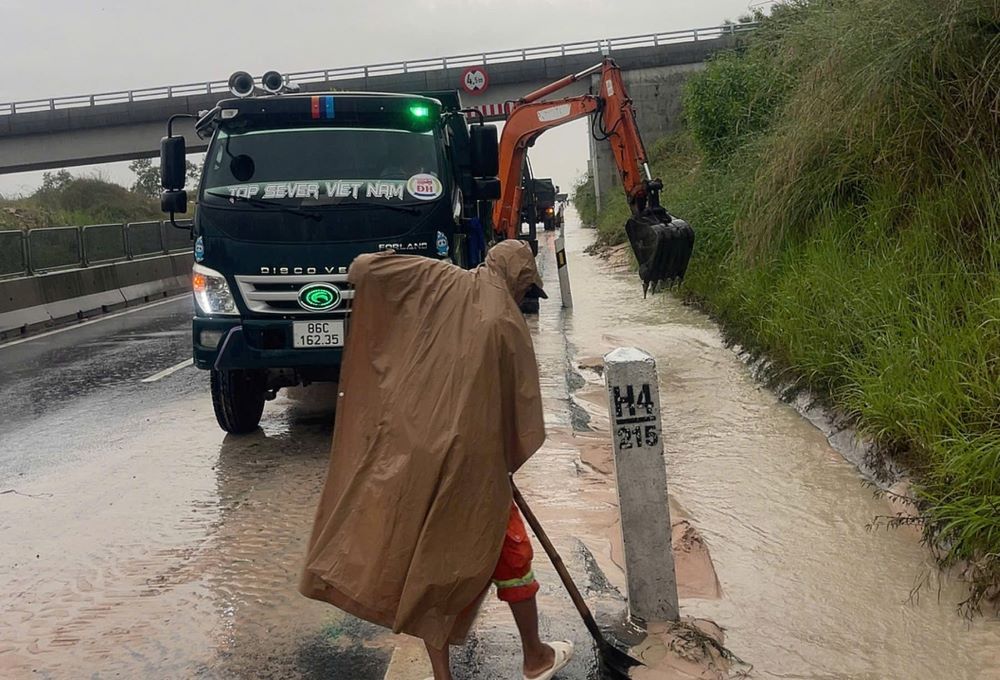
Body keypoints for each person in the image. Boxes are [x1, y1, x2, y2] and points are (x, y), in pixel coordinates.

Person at [299, 241, 574, 680]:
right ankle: (535, 656)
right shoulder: (506, 321)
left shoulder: (443, 281)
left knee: (434, 561)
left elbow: (366, 267)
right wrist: (500, 460)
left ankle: (447, 675)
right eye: (526, 288)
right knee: (511, 554)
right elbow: (521, 415)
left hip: (419, 451)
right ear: (517, 276)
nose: (524, 296)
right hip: (470, 465)